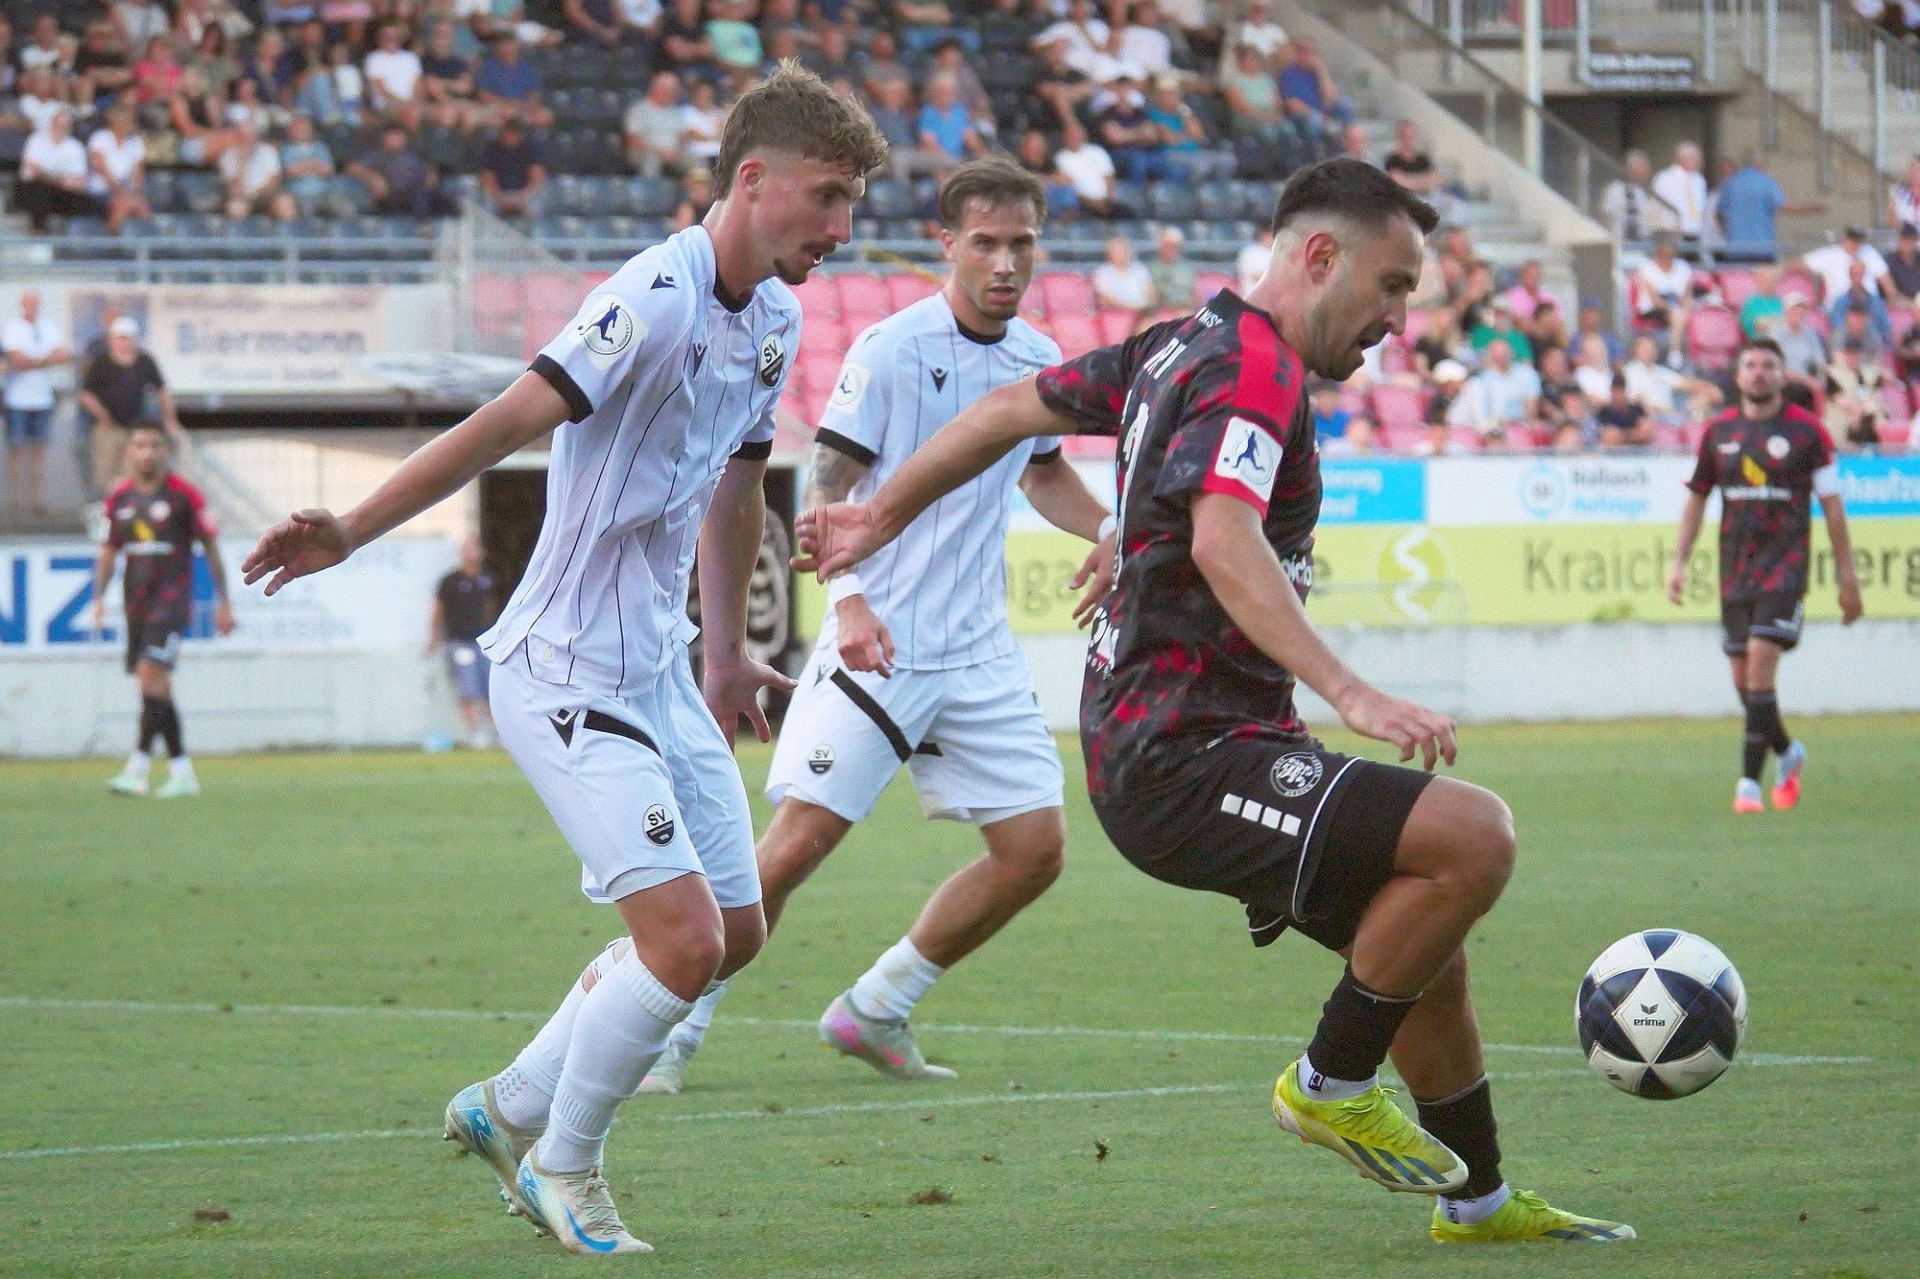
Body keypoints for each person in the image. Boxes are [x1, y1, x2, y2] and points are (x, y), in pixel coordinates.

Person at [796, 158, 1631, 1245]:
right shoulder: (1253, 367)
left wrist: (881, 515)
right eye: (1390, 286)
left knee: (1420, 938)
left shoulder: (1178, 342)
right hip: (1183, 754)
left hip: (1182, 738)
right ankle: (1330, 1085)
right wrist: (1350, 689)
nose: (1396, 320)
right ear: (1319, 255)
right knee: (1476, 836)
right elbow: (1223, 535)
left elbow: (1007, 408)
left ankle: (1474, 1199)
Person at [242, 62, 887, 1258]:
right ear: (754, 179)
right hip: (563, 670)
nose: (844, 228)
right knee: (682, 944)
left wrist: (731, 650)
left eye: (855, 202)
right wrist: (352, 527)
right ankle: (562, 1164)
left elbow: (739, 489)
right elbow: (505, 421)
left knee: (736, 932)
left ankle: (510, 1103)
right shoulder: (652, 295)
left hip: (661, 670)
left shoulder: (775, 318)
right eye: (830, 196)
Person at [639, 159, 1113, 1094]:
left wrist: (1110, 530)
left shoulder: (1038, 357)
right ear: (948, 244)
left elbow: (1043, 470)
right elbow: (829, 480)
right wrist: (847, 596)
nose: (1005, 263)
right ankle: (666, 1031)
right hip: (879, 638)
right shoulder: (895, 348)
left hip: (977, 649)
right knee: (793, 848)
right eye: (986, 243)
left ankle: (878, 1005)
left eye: (1021, 244)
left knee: (1035, 852)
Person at [1667, 337, 1862, 814]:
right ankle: (1787, 751)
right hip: (1735, 570)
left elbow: (1832, 506)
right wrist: (1679, 561)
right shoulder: (1718, 432)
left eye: (1768, 366)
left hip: (1786, 567)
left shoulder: (1808, 433)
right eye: (1750, 365)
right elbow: (1697, 497)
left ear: (1781, 375)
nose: (1758, 372)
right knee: (1744, 681)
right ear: (1737, 376)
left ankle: (1749, 786)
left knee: (1758, 662)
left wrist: (1848, 577)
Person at [92, 423, 236, 799]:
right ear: (128, 451)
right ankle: (180, 772)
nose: (147, 452)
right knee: (154, 686)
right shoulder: (119, 498)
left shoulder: (184, 495)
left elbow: (211, 547)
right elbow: (108, 551)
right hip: (135, 605)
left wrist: (224, 601)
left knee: (149, 673)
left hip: (171, 602)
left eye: (155, 445)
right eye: (140, 445)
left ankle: (138, 768)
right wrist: (97, 599)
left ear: (166, 451)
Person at [79, 316, 177, 499]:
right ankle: (106, 507)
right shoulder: (101, 363)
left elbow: (162, 391)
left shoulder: (145, 362)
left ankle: (130, 508)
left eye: (128, 338)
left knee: (132, 473)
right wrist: (101, 414)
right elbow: (86, 394)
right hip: (109, 428)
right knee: (106, 473)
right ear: (111, 340)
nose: (124, 343)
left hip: (135, 429)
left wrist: (170, 419)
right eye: (120, 338)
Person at [428, 535, 500, 748]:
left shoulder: (487, 579)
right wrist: (435, 638)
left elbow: (492, 609)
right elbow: (438, 611)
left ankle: (497, 732)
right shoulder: (450, 581)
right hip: (460, 643)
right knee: (469, 687)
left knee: (491, 688)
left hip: (484, 644)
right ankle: (476, 732)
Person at [3, 290, 69, 517]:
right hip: (17, 399)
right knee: (16, 451)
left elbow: (61, 356)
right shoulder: (13, 328)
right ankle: (16, 501)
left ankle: (37, 500)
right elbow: (17, 361)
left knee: (39, 452)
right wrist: (44, 360)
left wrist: (33, 361)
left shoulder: (48, 327)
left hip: (42, 399)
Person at [16, 110, 105, 232]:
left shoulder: (75, 147)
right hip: (33, 190)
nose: (61, 128)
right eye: (58, 124)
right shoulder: (36, 140)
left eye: (65, 125)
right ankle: (38, 232)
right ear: (52, 123)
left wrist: (55, 180)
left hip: (62, 192)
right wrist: (60, 180)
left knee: (91, 203)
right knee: (40, 191)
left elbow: (80, 182)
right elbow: (33, 171)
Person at [1802, 225, 1890, 307]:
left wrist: (1893, 299)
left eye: (1858, 240)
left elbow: (1886, 282)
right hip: (1838, 307)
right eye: (1851, 239)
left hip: (1869, 307)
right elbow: (1799, 263)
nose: (1854, 243)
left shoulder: (1869, 252)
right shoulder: (1829, 254)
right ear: (1844, 238)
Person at [1652, 141, 1708, 242]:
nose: (1697, 161)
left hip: (1695, 233)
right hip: (1671, 233)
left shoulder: (1699, 180)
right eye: (1694, 158)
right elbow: (1655, 206)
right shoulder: (1665, 178)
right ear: (1682, 158)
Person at [1092, 234, 1154, 314]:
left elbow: (1152, 293)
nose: (1123, 253)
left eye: (1125, 249)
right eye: (1118, 250)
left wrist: (1149, 307)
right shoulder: (1103, 272)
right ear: (1110, 253)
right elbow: (1107, 300)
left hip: (1144, 313)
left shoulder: (1140, 268)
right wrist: (1134, 309)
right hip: (1118, 314)